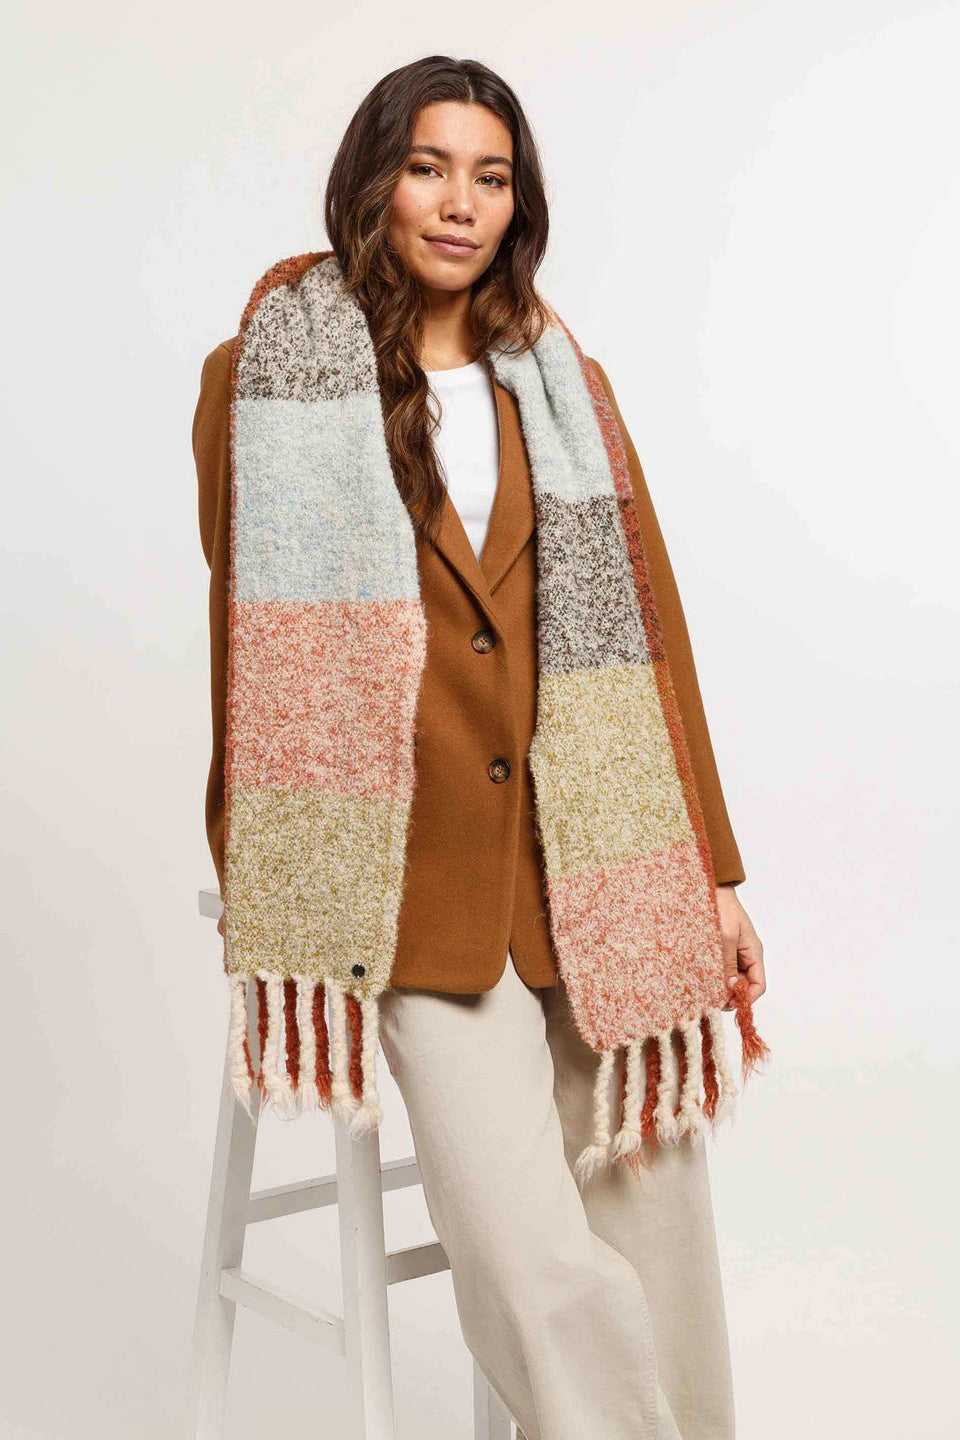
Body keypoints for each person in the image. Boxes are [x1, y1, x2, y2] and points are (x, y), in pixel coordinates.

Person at [193, 54, 767, 1440]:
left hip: (593, 861)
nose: (460, 203)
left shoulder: (571, 388)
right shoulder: (263, 379)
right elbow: (252, 625)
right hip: (400, 880)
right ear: (376, 181)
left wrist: (713, 875)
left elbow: (654, 635)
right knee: (528, 1254)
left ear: (519, 203)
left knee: (659, 1217)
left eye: (491, 176)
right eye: (429, 167)